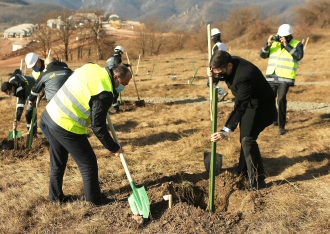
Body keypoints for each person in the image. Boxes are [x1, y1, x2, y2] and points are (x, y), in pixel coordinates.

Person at [40, 63, 132, 205]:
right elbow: (98, 126)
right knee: (88, 163)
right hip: (66, 124)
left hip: (50, 114)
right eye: (124, 83)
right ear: (115, 77)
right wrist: (114, 147)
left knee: (58, 161)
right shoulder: (105, 92)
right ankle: (95, 199)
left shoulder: (92, 67)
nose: (123, 88)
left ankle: (55, 197)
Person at [209, 50, 275, 190]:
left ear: (229, 65)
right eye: (216, 71)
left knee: (248, 139)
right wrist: (213, 77)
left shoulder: (245, 76)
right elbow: (221, 76)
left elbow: (240, 107)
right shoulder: (231, 63)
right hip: (249, 102)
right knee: (244, 137)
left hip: (261, 107)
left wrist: (225, 131)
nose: (219, 74)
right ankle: (243, 170)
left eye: (220, 71)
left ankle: (258, 181)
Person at [260, 24, 304, 135]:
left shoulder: (297, 44)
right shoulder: (274, 43)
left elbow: (298, 56)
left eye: (284, 36)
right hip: (271, 76)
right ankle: (274, 119)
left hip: (285, 77)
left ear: (289, 35)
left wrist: (286, 45)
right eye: (280, 36)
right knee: (269, 99)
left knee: (281, 99)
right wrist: (267, 44)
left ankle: (281, 126)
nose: (282, 38)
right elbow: (262, 55)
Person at [28, 56, 73, 141]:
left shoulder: (44, 73)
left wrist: (31, 99)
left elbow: (34, 90)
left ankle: (55, 143)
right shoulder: (67, 70)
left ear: (46, 65)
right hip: (70, 102)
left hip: (55, 104)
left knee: (43, 124)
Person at [1, 69, 37, 136]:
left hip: (33, 88)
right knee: (28, 112)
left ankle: (33, 133)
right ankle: (30, 132)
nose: (9, 95)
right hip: (26, 89)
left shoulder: (21, 89)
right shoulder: (10, 80)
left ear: (12, 88)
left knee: (29, 113)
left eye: (9, 93)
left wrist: (17, 119)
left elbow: (20, 105)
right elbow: (16, 71)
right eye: (7, 94)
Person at [105, 45, 131, 113]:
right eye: (122, 53)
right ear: (120, 52)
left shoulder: (110, 57)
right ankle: (115, 109)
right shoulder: (117, 57)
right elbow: (119, 67)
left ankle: (107, 109)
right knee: (115, 94)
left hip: (107, 75)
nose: (121, 54)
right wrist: (128, 65)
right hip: (114, 76)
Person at [207, 28, 228, 102]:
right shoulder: (223, 45)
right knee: (213, 83)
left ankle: (222, 93)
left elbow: (215, 58)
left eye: (212, 37)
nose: (212, 39)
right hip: (222, 67)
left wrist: (212, 67)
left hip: (216, 67)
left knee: (210, 83)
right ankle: (216, 97)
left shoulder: (216, 46)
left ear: (215, 36)